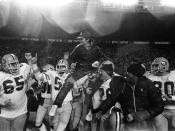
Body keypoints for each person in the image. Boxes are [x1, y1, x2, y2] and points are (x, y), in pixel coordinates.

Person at [52, 30, 108, 131]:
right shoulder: (78, 48)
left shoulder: (97, 49)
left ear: (87, 39)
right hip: (80, 71)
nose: (81, 40)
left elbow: (104, 59)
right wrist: (72, 64)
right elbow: (71, 58)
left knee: (94, 91)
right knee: (68, 83)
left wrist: (98, 63)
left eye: (82, 38)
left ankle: (93, 112)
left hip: (92, 72)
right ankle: (56, 104)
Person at [93, 62, 164, 131]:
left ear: (135, 74)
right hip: (128, 123)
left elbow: (159, 104)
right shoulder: (122, 85)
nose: (126, 74)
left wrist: (146, 113)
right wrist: (101, 111)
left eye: (128, 72)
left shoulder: (147, 85)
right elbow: (111, 99)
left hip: (146, 125)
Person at [0, 54, 31, 131]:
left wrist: (30, 61)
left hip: (21, 112)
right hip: (3, 113)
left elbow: (29, 69)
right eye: (12, 64)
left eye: (16, 63)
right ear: (4, 65)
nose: (15, 66)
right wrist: (1, 102)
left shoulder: (23, 68)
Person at [146, 57, 175, 131]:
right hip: (159, 110)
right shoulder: (149, 76)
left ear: (164, 65)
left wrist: (171, 98)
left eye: (156, 65)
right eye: (154, 65)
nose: (153, 68)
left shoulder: (173, 75)